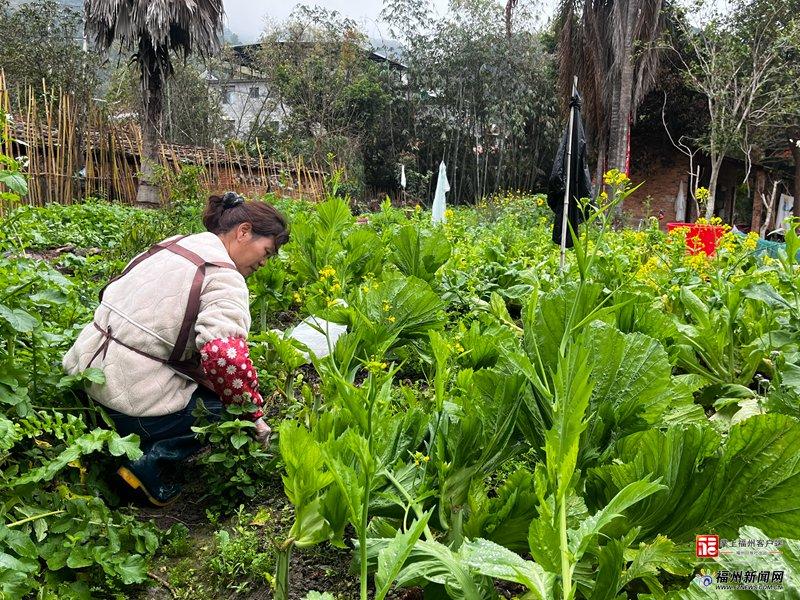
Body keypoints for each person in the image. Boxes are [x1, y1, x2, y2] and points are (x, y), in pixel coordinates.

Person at [63, 192, 289, 506]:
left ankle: (108, 434)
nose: (264, 262)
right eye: (266, 251)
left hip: (84, 379)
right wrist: (254, 417)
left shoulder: (175, 244)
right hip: (127, 405)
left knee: (207, 381)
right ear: (244, 232)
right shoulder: (225, 278)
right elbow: (226, 359)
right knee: (225, 408)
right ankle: (147, 465)